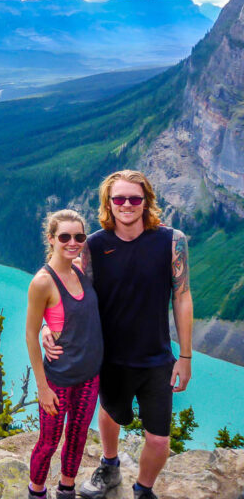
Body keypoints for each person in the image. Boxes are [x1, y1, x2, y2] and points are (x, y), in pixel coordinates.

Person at [43, 170, 193, 499]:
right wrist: (46, 326)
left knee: (158, 439)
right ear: (108, 204)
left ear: (146, 202)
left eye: (135, 198)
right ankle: (110, 467)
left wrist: (185, 356)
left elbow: (181, 296)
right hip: (108, 356)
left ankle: (143, 488)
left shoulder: (171, 241)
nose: (127, 205)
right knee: (110, 414)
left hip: (156, 358)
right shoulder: (93, 245)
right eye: (119, 199)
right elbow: (70, 291)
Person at [26, 209, 103, 499]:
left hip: (88, 375)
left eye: (79, 236)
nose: (73, 242)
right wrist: (42, 387)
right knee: (48, 441)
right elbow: (30, 334)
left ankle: (67, 489)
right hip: (57, 378)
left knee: (77, 436)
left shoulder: (81, 270)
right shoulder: (43, 282)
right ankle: (36, 492)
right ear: (51, 239)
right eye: (65, 237)